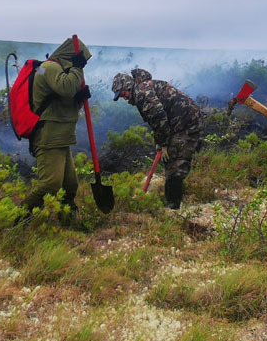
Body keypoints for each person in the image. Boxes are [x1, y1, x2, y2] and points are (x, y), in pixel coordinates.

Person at [20, 37, 93, 221]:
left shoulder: (57, 70)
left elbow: (61, 101)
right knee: (50, 184)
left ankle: (68, 221)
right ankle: (17, 219)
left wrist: (78, 99)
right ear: (71, 56)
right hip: (48, 136)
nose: (81, 65)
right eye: (80, 60)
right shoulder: (49, 68)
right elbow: (67, 88)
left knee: (70, 185)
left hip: (61, 136)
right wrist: (77, 69)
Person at [111, 68, 202, 211]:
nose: (124, 97)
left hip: (186, 123)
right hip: (179, 122)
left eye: (123, 93)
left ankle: (173, 207)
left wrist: (163, 143)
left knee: (174, 163)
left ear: (127, 86)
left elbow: (159, 118)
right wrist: (161, 142)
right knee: (172, 158)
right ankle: (172, 200)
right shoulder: (142, 88)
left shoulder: (142, 93)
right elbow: (158, 121)